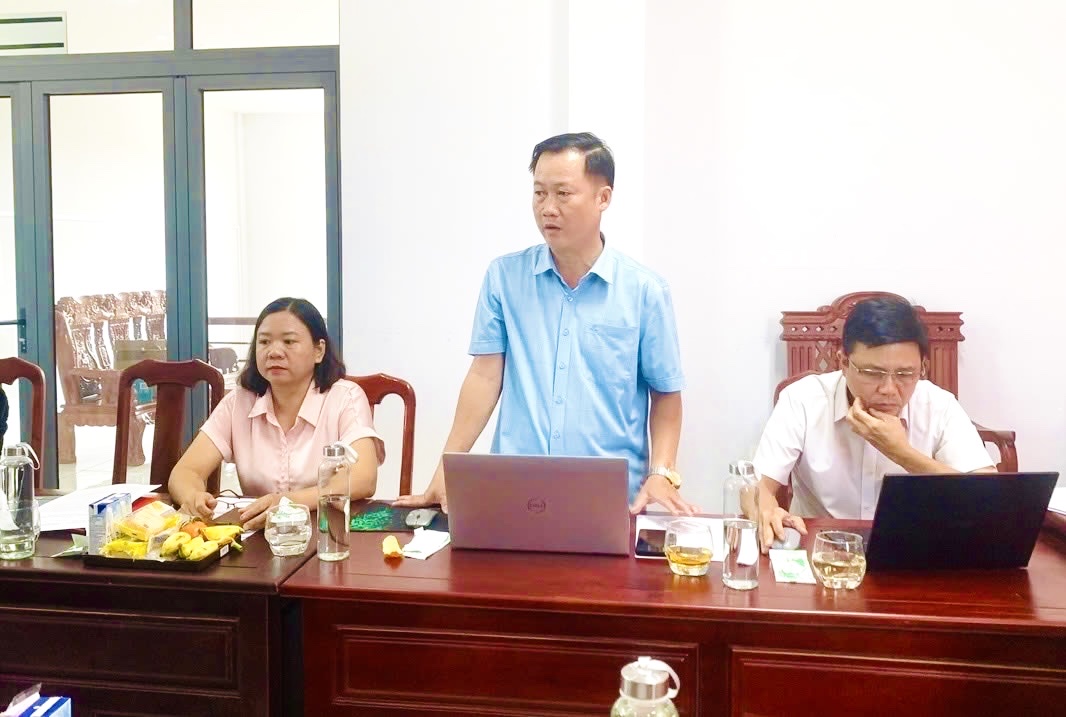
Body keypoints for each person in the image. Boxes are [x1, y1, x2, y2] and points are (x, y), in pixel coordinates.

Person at [395, 132, 695, 516]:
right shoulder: (505, 277)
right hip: (517, 490)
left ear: (603, 197)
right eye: (539, 193)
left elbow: (665, 393)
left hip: (609, 499)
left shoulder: (644, 291)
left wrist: (662, 472)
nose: (547, 208)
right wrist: (446, 466)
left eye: (563, 194)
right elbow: (485, 376)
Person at [752, 296, 996, 551]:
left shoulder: (939, 405)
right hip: (822, 550)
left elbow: (988, 499)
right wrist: (765, 508)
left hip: (915, 550)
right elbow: (755, 486)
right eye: (872, 373)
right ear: (843, 362)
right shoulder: (803, 399)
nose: (889, 389)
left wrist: (901, 453)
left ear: (923, 366)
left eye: (905, 374)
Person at [169, 297, 384, 531]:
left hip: (327, 535)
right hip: (259, 537)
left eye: (289, 341)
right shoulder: (239, 402)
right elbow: (185, 471)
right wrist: (193, 497)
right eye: (264, 342)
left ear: (318, 351)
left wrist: (286, 503)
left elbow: (364, 478)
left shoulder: (345, 397)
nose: (274, 352)